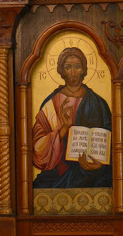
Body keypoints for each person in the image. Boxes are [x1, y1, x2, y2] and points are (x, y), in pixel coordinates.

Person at [32, 47, 112, 188]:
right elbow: (37, 147)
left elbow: (113, 140)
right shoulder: (51, 103)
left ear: (84, 70)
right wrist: (64, 128)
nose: (73, 72)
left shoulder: (98, 103)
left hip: (94, 173)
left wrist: (101, 164)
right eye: (68, 67)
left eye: (77, 67)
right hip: (57, 172)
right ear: (61, 71)